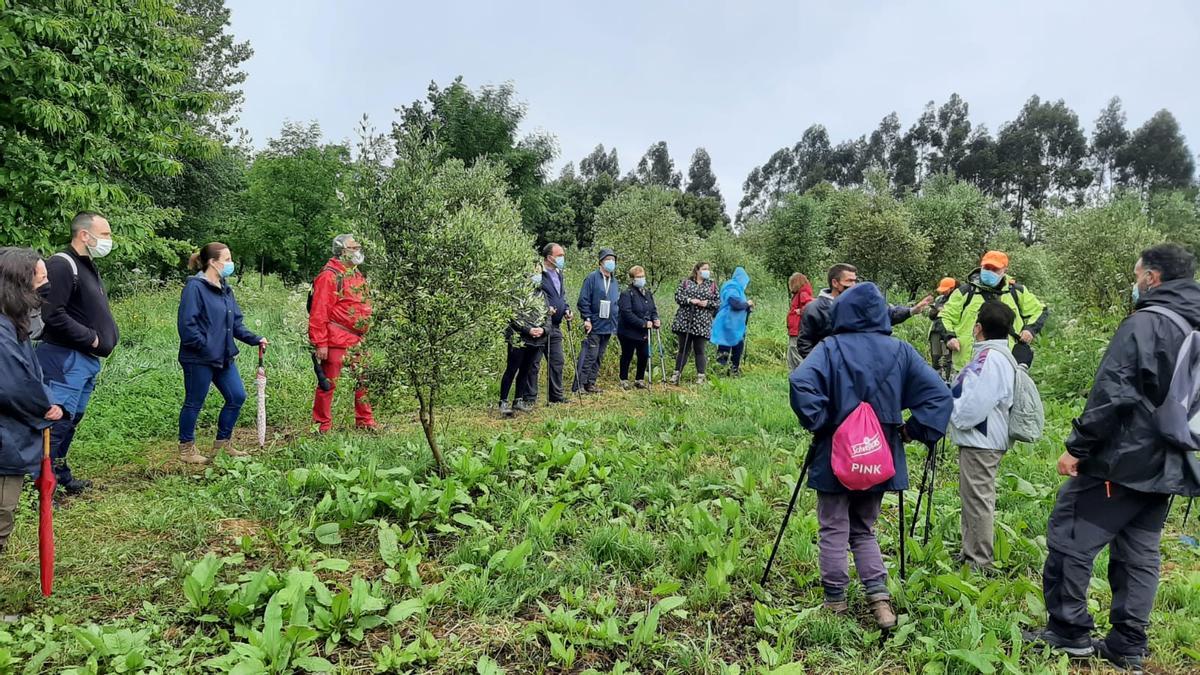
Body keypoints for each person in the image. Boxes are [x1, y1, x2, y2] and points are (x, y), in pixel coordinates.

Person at [1025, 244, 1200, 671]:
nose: (1135, 281)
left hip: (1125, 460)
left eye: (1137, 273)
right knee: (1140, 552)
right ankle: (1127, 644)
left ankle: (1068, 631)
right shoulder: (1194, 322)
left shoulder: (1147, 323)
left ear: (1152, 278)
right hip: (1174, 459)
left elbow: (1113, 393)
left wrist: (1077, 448)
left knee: (1070, 536)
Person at [790, 282, 952, 629]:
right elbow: (940, 396)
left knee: (833, 527)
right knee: (863, 529)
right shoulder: (900, 351)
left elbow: (801, 382)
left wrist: (821, 422)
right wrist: (912, 430)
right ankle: (881, 603)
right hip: (879, 454)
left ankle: (835, 604)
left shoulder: (830, 348)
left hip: (835, 450)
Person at [37, 212, 119, 496]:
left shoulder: (87, 265)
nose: (109, 240)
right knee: (56, 421)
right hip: (64, 358)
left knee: (71, 420)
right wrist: (92, 338)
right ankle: (41, 487)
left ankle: (59, 475)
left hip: (83, 361)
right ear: (85, 234)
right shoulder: (62, 264)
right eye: (105, 234)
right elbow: (52, 313)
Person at [176, 243, 268, 464]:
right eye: (226, 260)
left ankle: (223, 444)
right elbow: (187, 326)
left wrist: (255, 339)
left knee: (237, 396)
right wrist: (206, 346)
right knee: (194, 401)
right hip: (199, 357)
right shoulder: (195, 288)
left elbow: (235, 324)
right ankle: (186, 448)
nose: (230, 264)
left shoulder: (225, 288)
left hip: (223, 356)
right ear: (212, 262)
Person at [0, 248, 63, 555]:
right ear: (20, 285)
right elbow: (12, 385)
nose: (46, 286)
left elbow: (30, 372)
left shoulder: (13, 323)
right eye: (42, 279)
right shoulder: (1, 331)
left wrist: (44, 399)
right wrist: (44, 409)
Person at [949, 301, 1017, 571]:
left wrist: (950, 409)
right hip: (982, 440)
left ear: (977, 328)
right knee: (972, 498)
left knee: (978, 500)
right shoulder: (995, 356)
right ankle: (971, 553)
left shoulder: (990, 360)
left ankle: (979, 561)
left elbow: (972, 408)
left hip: (981, 440)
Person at [309, 234, 376, 432]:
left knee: (363, 381)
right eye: (353, 247)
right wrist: (321, 342)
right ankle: (322, 426)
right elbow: (319, 311)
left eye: (358, 247)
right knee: (328, 383)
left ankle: (365, 421)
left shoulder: (355, 274)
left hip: (358, 339)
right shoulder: (329, 276)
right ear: (341, 250)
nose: (357, 250)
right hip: (337, 338)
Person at [797, 263, 930, 360]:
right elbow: (805, 343)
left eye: (855, 281)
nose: (854, 285)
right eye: (849, 281)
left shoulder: (861, 303)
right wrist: (821, 367)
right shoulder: (814, 309)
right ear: (835, 283)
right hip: (830, 370)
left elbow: (885, 314)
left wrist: (912, 310)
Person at [940, 251, 1048, 368]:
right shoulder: (965, 292)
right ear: (981, 266)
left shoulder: (1017, 292)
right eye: (987, 267)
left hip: (1007, 363)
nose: (990, 272)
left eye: (995, 269)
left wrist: (1029, 330)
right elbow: (945, 316)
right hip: (968, 364)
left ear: (1004, 271)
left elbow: (1040, 310)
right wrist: (950, 337)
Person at [524, 243, 571, 406]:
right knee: (533, 363)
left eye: (562, 255)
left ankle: (556, 396)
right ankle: (529, 398)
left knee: (557, 361)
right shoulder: (537, 272)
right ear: (549, 257)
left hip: (555, 326)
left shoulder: (559, 273)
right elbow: (529, 296)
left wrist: (567, 309)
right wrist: (544, 309)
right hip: (539, 325)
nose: (562, 258)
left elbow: (562, 296)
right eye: (559, 255)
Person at [573, 248, 621, 394]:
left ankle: (590, 383)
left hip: (609, 325)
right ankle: (579, 384)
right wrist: (587, 318)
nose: (611, 263)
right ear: (601, 262)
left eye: (613, 260)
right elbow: (583, 300)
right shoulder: (592, 278)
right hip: (594, 323)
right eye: (608, 260)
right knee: (589, 354)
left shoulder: (614, 281)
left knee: (599, 356)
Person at [499, 276, 548, 417]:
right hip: (518, 339)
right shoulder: (518, 292)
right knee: (511, 370)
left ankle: (518, 400)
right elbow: (513, 317)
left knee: (525, 370)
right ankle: (503, 402)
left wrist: (544, 330)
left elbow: (547, 317)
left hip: (536, 340)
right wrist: (528, 330)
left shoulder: (542, 294)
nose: (538, 276)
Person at [668, 262, 719, 385]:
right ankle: (676, 374)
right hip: (685, 321)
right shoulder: (686, 283)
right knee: (683, 349)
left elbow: (717, 302)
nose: (707, 271)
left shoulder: (712, 285)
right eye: (704, 269)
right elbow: (678, 296)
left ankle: (701, 376)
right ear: (697, 270)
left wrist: (706, 303)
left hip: (702, 322)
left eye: (708, 269)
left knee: (699, 349)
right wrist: (689, 300)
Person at [616, 266, 660, 390]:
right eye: (638, 277)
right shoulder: (627, 294)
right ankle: (623, 379)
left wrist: (655, 319)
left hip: (644, 332)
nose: (641, 279)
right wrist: (643, 323)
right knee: (627, 355)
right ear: (632, 279)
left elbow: (653, 309)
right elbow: (626, 313)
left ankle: (639, 379)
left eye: (642, 276)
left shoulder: (648, 293)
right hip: (628, 331)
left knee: (644, 354)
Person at [711, 266, 753, 376]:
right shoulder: (731, 286)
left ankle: (734, 370)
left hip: (737, 324)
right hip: (727, 322)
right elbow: (735, 304)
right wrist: (747, 304)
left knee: (737, 347)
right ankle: (721, 371)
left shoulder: (738, 288)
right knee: (724, 346)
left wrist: (747, 308)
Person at [928, 277, 960, 381]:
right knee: (936, 356)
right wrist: (938, 310)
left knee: (948, 358)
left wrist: (942, 310)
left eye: (945, 290)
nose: (943, 292)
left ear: (952, 288)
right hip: (935, 330)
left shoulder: (957, 298)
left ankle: (949, 379)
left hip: (948, 332)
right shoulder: (939, 299)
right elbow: (931, 315)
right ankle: (936, 379)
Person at [786, 272, 814, 370]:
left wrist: (801, 311)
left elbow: (810, 305)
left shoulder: (803, 293)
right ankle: (794, 374)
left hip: (797, 329)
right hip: (794, 329)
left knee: (795, 350)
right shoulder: (800, 293)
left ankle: (804, 372)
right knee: (791, 354)